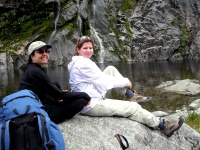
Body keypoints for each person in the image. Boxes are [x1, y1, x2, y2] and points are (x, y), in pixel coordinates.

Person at [67, 36, 184, 137]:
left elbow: (99, 79)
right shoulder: (83, 63)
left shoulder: (77, 62)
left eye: (90, 48)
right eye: (85, 48)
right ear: (78, 50)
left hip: (90, 96)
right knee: (132, 108)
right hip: (91, 104)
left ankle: (130, 95)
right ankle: (163, 126)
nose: (88, 51)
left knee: (110, 70)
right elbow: (103, 82)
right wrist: (126, 82)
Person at [18, 41, 91, 124]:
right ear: (32, 56)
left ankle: (57, 102)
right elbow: (60, 94)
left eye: (46, 51)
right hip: (40, 114)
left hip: (36, 106)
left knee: (55, 84)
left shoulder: (31, 68)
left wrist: (57, 95)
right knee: (81, 101)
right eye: (40, 52)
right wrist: (86, 96)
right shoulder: (35, 71)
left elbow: (54, 91)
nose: (45, 54)